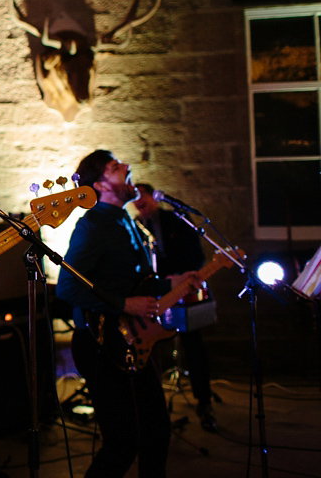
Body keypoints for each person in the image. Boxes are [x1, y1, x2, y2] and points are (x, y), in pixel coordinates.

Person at [56, 150, 201, 478]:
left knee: (156, 431)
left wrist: (171, 283)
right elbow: (66, 288)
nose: (126, 167)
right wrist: (123, 305)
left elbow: (137, 281)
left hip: (130, 339)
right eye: (114, 166)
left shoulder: (126, 220)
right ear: (100, 184)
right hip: (99, 342)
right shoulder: (91, 225)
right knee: (122, 443)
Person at [132, 182, 217, 432]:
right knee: (148, 350)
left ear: (152, 196)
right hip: (152, 294)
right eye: (136, 203)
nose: (140, 205)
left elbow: (196, 254)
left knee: (193, 344)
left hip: (180, 291)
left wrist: (180, 280)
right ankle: (151, 413)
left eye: (143, 200)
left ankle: (205, 402)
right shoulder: (134, 226)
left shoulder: (177, 220)